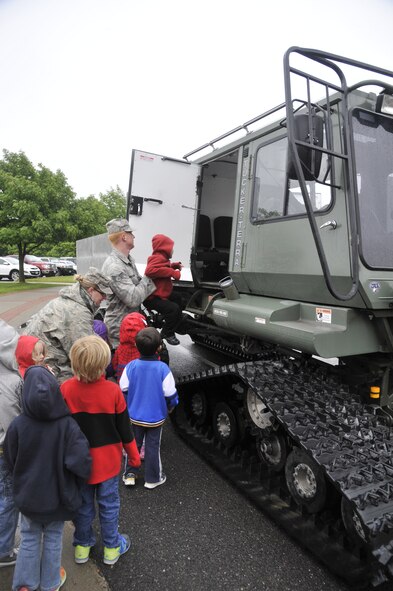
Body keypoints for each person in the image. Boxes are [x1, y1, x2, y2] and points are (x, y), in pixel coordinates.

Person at [3, 365, 92, 591]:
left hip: (29, 497)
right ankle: (50, 583)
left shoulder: (18, 425)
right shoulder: (68, 426)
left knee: (29, 538)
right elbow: (81, 462)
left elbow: (11, 459)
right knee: (53, 538)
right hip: (59, 497)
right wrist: (78, 483)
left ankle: (25, 585)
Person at [61, 335, 141, 565]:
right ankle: (111, 548)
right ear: (104, 363)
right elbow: (125, 429)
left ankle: (82, 547)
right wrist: (134, 457)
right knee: (109, 506)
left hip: (79, 464)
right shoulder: (113, 391)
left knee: (83, 506)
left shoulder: (65, 390)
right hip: (107, 463)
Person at [24, 267, 112, 382]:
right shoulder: (78, 312)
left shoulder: (67, 300)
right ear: (91, 290)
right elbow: (86, 356)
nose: (105, 298)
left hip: (36, 364)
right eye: (103, 293)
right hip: (50, 371)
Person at [119, 327, 178, 489]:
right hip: (155, 417)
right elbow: (170, 393)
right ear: (159, 347)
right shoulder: (162, 369)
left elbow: (123, 388)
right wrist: (171, 406)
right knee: (152, 446)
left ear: (137, 347)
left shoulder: (131, 366)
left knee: (133, 445)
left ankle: (129, 474)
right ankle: (153, 478)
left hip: (135, 415)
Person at [101, 218, 156, 347]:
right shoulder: (114, 266)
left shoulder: (127, 260)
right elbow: (133, 298)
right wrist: (150, 275)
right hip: (119, 333)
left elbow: (138, 286)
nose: (134, 236)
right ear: (124, 237)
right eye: (131, 233)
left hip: (130, 327)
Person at [0, 320, 22, 569]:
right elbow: (13, 423)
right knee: (7, 497)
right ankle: (4, 550)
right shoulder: (9, 383)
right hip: (4, 449)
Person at [144, 234, 183, 346]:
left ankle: (175, 320)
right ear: (164, 248)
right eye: (171, 248)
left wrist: (173, 266)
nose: (172, 251)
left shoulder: (162, 258)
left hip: (160, 294)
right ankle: (167, 333)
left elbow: (162, 267)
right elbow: (150, 271)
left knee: (178, 297)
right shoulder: (156, 258)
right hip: (152, 298)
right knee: (173, 309)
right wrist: (171, 272)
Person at [111, 312, 147, 383]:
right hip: (141, 384)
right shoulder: (145, 349)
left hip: (123, 384)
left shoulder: (120, 349)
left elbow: (115, 365)